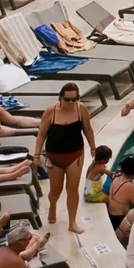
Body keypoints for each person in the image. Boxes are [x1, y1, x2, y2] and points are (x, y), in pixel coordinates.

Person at [32, 82, 95, 234]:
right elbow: (41, 134)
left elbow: (88, 129)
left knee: (72, 189)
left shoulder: (81, 109)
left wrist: (93, 147)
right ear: (60, 98)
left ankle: (72, 222)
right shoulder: (51, 111)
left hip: (75, 155)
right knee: (56, 190)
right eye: (67, 100)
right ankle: (53, 205)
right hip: (54, 156)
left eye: (74, 99)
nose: (71, 103)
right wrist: (36, 155)